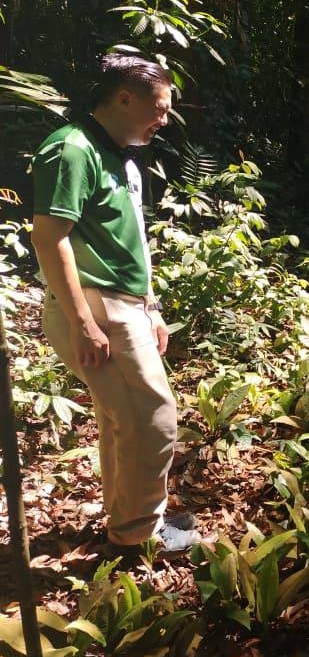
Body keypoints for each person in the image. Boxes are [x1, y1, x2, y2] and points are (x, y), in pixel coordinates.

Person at [30, 53, 200, 558]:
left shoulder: (121, 158)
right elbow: (49, 238)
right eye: (160, 108)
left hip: (125, 305)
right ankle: (138, 534)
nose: (164, 120)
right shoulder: (71, 150)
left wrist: (150, 307)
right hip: (95, 307)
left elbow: (131, 243)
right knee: (154, 418)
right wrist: (83, 321)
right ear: (124, 98)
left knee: (122, 419)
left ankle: (127, 522)